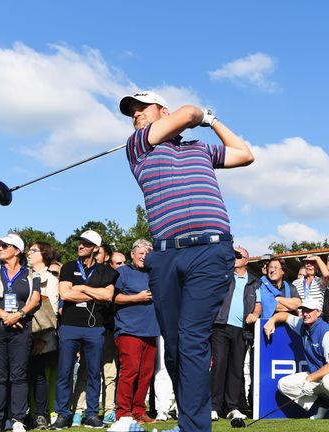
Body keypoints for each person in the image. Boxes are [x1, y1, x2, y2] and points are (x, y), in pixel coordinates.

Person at [120, 90, 254, 432]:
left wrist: (212, 121)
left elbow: (245, 154)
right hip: (164, 255)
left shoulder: (201, 149)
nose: (135, 115)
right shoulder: (138, 145)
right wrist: (198, 115)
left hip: (211, 250)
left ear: (162, 109)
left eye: (141, 108)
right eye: (131, 112)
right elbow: (188, 112)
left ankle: (193, 428)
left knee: (192, 337)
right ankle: (188, 419)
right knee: (176, 347)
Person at [51, 230, 117, 430]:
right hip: (70, 325)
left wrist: (82, 288)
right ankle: (63, 414)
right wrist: (93, 293)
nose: (81, 246)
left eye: (86, 244)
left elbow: (107, 296)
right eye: (80, 243)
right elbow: (65, 293)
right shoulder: (70, 267)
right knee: (64, 372)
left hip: (95, 327)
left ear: (95, 248)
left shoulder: (107, 272)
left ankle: (91, 414)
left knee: (93, 372)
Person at [0, 233, 42, 432]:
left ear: (17, 251)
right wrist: (7, 315)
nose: (0, 248)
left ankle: (18, 420)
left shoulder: (31, 273)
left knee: (19, 376)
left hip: (21, 329)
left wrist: (20, 314)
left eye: (5, 246)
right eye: (0, 245)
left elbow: (35, 299)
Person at [263, 299, 329, 421]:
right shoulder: (301, 324)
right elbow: (284, 316)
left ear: (318, 312)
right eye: (304, 310)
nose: (305, 313)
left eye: (309, 310)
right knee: (284, 385)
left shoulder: (327, 333)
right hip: (319, 375)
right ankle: (323, 402)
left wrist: (309, 379)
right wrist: (272, 320)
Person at [210, 246, 261, 422]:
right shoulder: (223, 275)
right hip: (221, 326)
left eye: (238, 256)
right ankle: (214, 406)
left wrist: (255, 313)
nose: (235, 258)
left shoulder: (255, 282)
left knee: (236, 368)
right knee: (219, 364)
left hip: (242, 330)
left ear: (247, 260)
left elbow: (258, 304)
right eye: (232, 255)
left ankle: (233, 407)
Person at [113, 240, 159, 424]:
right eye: (140, 253)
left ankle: (139, 411)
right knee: (129, 371)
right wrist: (137, 298)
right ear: (132, 254)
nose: (143, 257)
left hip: (151, 330)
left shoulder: (155, 272)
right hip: (128, 330)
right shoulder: (122, 272)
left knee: (146, 373)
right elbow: (113, 298)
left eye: (147, 254)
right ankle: (123, 413)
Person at [26, 242, 60, 430]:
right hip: (19, 333)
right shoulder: (22, 275)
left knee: (39, 376)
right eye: (29, 250)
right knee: (20, 377)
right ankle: (20, 414)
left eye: (34, 250)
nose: (29, 253)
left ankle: (40, 415)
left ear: (44, 255)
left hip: (40, 336)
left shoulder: (52, 280)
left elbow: (52, 312)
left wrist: (42, 339)